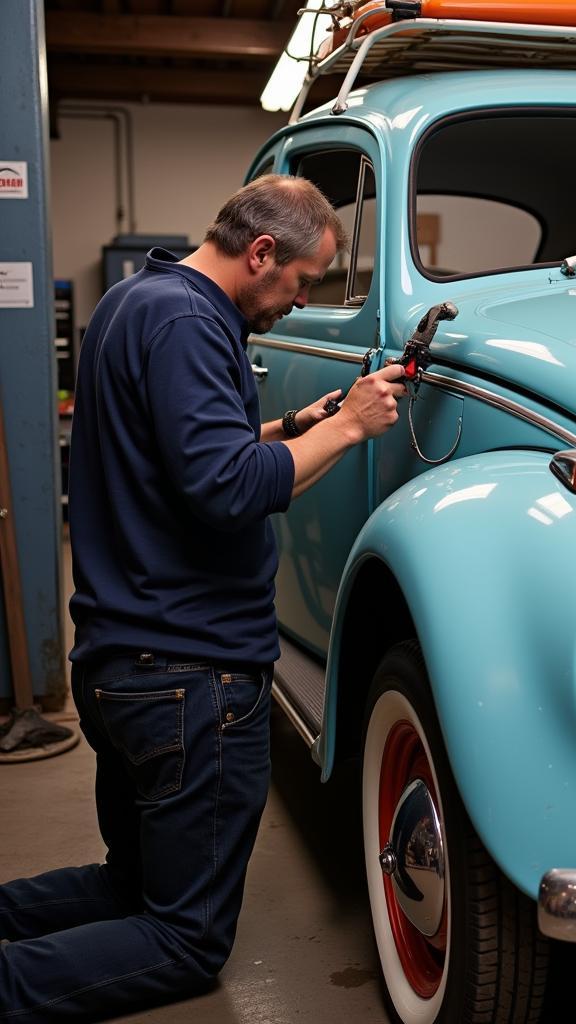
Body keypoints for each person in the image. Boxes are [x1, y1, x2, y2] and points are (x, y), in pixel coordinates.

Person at [0, 175, 406, 1021]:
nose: (297, 305)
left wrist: (293, 429)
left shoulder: (138, 301)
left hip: (121, 664)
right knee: (184, 938)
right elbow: (224, 489)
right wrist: (354, 424)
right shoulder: (193, 325)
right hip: (190, 676)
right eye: (300, 284)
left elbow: (180, 458)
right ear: (262, 253)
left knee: (128, 886)